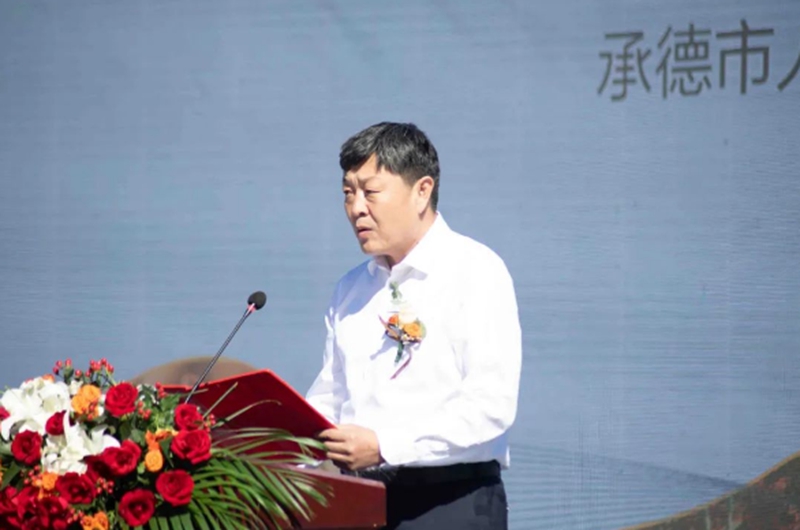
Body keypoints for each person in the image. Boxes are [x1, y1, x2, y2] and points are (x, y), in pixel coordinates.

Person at [306, 122, 522, 530]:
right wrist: (283, 446)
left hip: (449, 502)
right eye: (348, 193)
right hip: (359, 502)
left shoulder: (476, 271)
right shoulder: (351, 289)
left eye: (370, 192)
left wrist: (384, 446)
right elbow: (330, 397)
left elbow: (489, 407)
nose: (356, 208)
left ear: (422, 190)